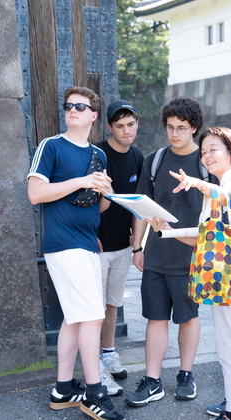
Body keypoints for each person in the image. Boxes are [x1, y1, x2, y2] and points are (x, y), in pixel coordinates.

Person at [27, 86, 124, 420]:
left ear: (93, 116)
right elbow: (35, 193)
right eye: (69, 106)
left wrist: (107, 192)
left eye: (81, 107)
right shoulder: (51, 146)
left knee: (75, 316)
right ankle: (95, 392)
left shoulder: (100, 155)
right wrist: (82, 180)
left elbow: (98, 207)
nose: (73, 110)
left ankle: (63, 388)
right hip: (63, 243)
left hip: (86, 242)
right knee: (93, 315)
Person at [148, 127, 231, 420]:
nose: (207, 155)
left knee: (229, 339)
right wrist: (168, 231)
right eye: (204, 151)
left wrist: (197, 183)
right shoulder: (221, 183)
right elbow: (203, 237)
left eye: (214, 149)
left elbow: (228, 196)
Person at [124, 97, 206, 408]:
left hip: (191, 257)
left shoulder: (205, 162)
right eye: (170, 128)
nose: (174, 134)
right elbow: (141, 205)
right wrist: (137, 247)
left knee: (188, 317)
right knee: (155, 318)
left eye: (181, 128)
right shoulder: (155, 160)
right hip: (157, 255)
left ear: (194, 128)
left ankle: (186, 374)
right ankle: (153, 380)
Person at [94, 100, 145, 396]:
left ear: (136, 124)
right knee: (94, 308)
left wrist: (137, 245)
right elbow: (85, 199)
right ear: (110, 127)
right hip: (96, 246)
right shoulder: (98, 154)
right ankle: (95, 368)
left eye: (130, 124)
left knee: (113, 303)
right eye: (120, 125)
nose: (126, 130)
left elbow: (138, 206)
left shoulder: (137, 156)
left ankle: (109, 353)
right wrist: (89, 234)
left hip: (122, 247)